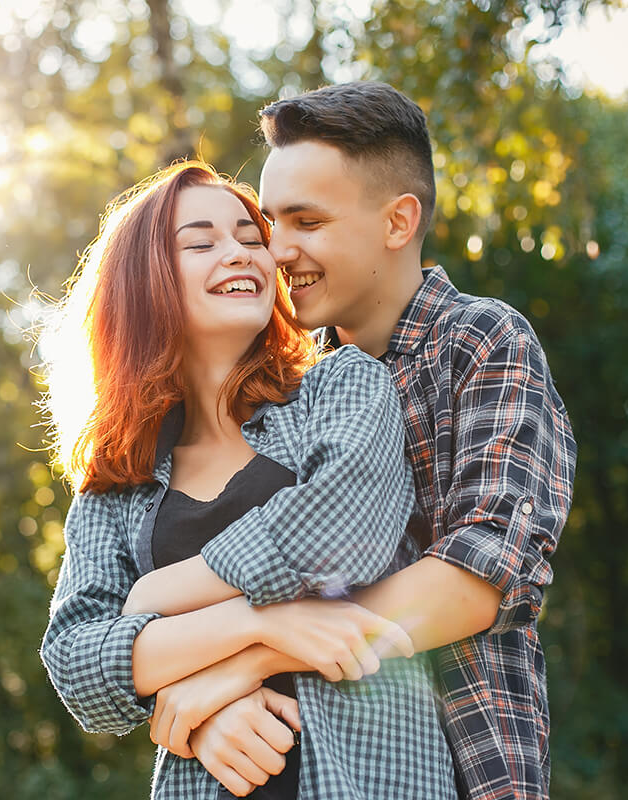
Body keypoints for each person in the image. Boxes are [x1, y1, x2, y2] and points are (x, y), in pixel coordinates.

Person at [157, 81, 577, 800]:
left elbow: (477, 578)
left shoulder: (480, 343)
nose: (276, 250)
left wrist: (245, 660)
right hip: (298, 764)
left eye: (307, 221)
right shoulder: (281, 388)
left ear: (398, 221)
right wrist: (209, 709)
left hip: (461, 761)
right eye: (269, 222)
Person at [39, 161, 458, 798]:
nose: (240, 252)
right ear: (144, 282)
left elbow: (343, 533)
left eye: (250, 237)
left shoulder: (341, 386)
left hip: (367, 778)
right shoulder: (115, 480)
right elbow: (75, 661)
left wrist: (157, 597)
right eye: (202, 242)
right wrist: (256, 626)